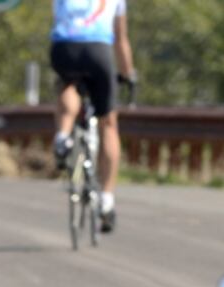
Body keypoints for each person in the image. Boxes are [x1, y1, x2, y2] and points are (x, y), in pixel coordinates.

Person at [50, 0, 136, 233]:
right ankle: (107, 198)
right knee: (108, 123)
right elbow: (120, 38)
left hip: (64, 48)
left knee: (68, 84)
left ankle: (63, 135)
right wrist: (128, 74)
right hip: (99, 51)